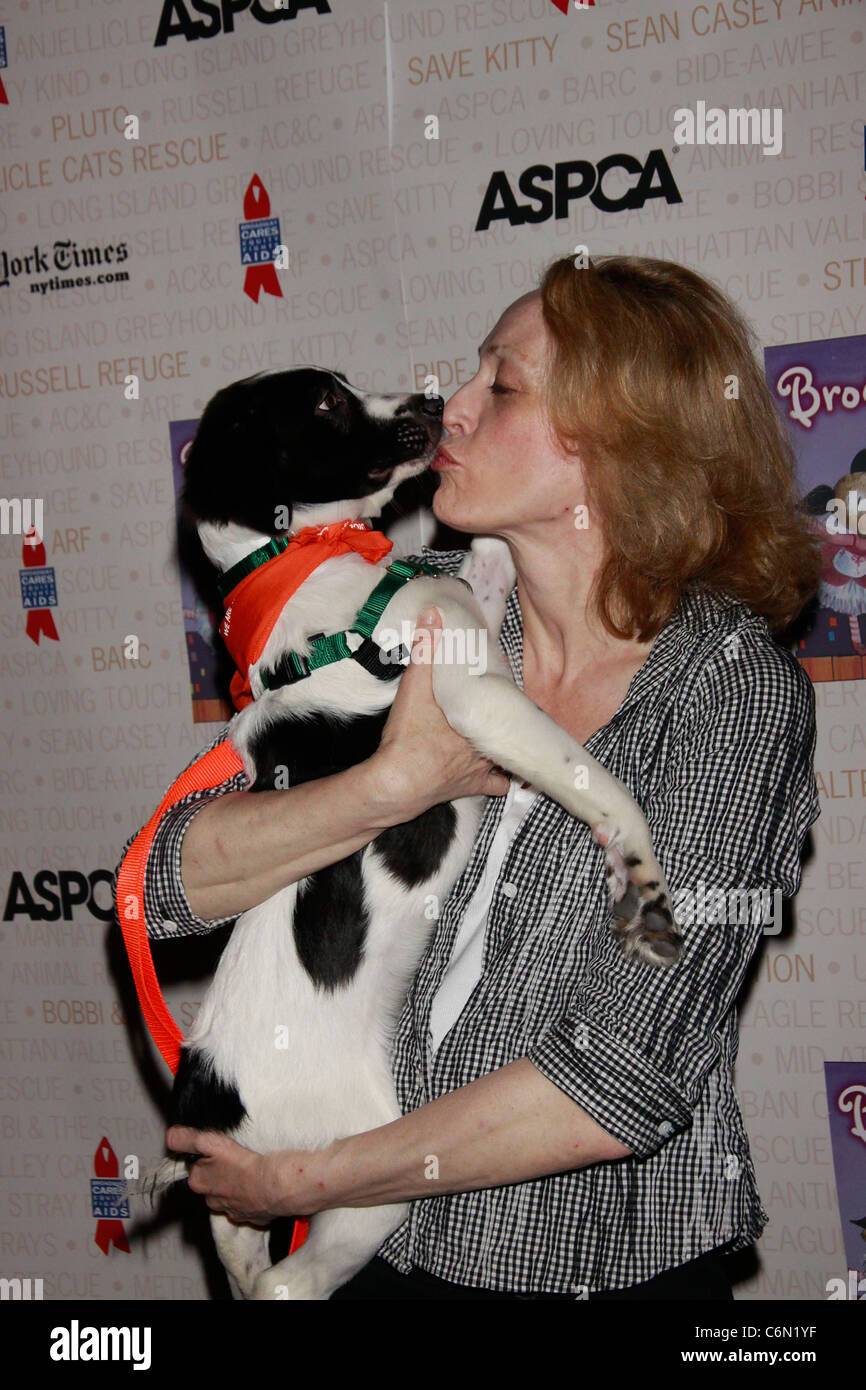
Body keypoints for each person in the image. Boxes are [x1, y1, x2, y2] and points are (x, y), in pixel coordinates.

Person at [114, 254, 822, 1300]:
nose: (451, 406)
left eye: (503, 384)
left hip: (591, 1269)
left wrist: (299, 1182)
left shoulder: (724, 693)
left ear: (621, 438)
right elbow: (164, 883)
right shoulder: (408, 603)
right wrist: (390, 783)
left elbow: (613, 1080)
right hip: (382, 1254)